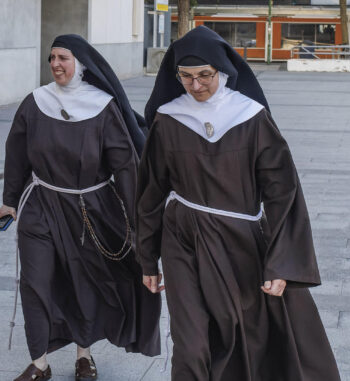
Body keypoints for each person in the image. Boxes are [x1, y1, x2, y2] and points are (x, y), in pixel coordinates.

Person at [137, 26, 340, 381]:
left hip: (240, 239)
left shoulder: (251, 116)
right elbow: (151, 191)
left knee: (244, 333)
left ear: (223, 72)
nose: (195, 85)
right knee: (190, 343)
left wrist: (282, 264)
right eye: (186, 77)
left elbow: (283, 192)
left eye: (205, 76)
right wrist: (147, 259)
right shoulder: (169, 118)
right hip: (182, 237)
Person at [0, 34, 161, 381]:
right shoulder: (35, 102)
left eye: (63, 58)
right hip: (41, 204)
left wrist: (135, 220)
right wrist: (10, 201)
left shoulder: (101, 106)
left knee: (82, 282)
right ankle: (39, 362)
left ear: (81, 65)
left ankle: (83, 355)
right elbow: (16, 155)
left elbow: (125, 167)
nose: (56, 64)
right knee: (36, 281)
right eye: (52, 58)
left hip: (90, 208)